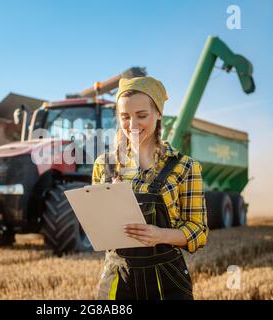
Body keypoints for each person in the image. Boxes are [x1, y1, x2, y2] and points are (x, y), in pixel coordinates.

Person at [92, 76, 208, 300]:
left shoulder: (185, 167)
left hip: (166, 279)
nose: (132, 125)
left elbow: (199, 232)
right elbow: (98, 229)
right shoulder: (103, 166)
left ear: (158, 114)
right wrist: (110, 203)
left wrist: (160, 235)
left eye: (142, 115)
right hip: (117, 278)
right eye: (125, 117)